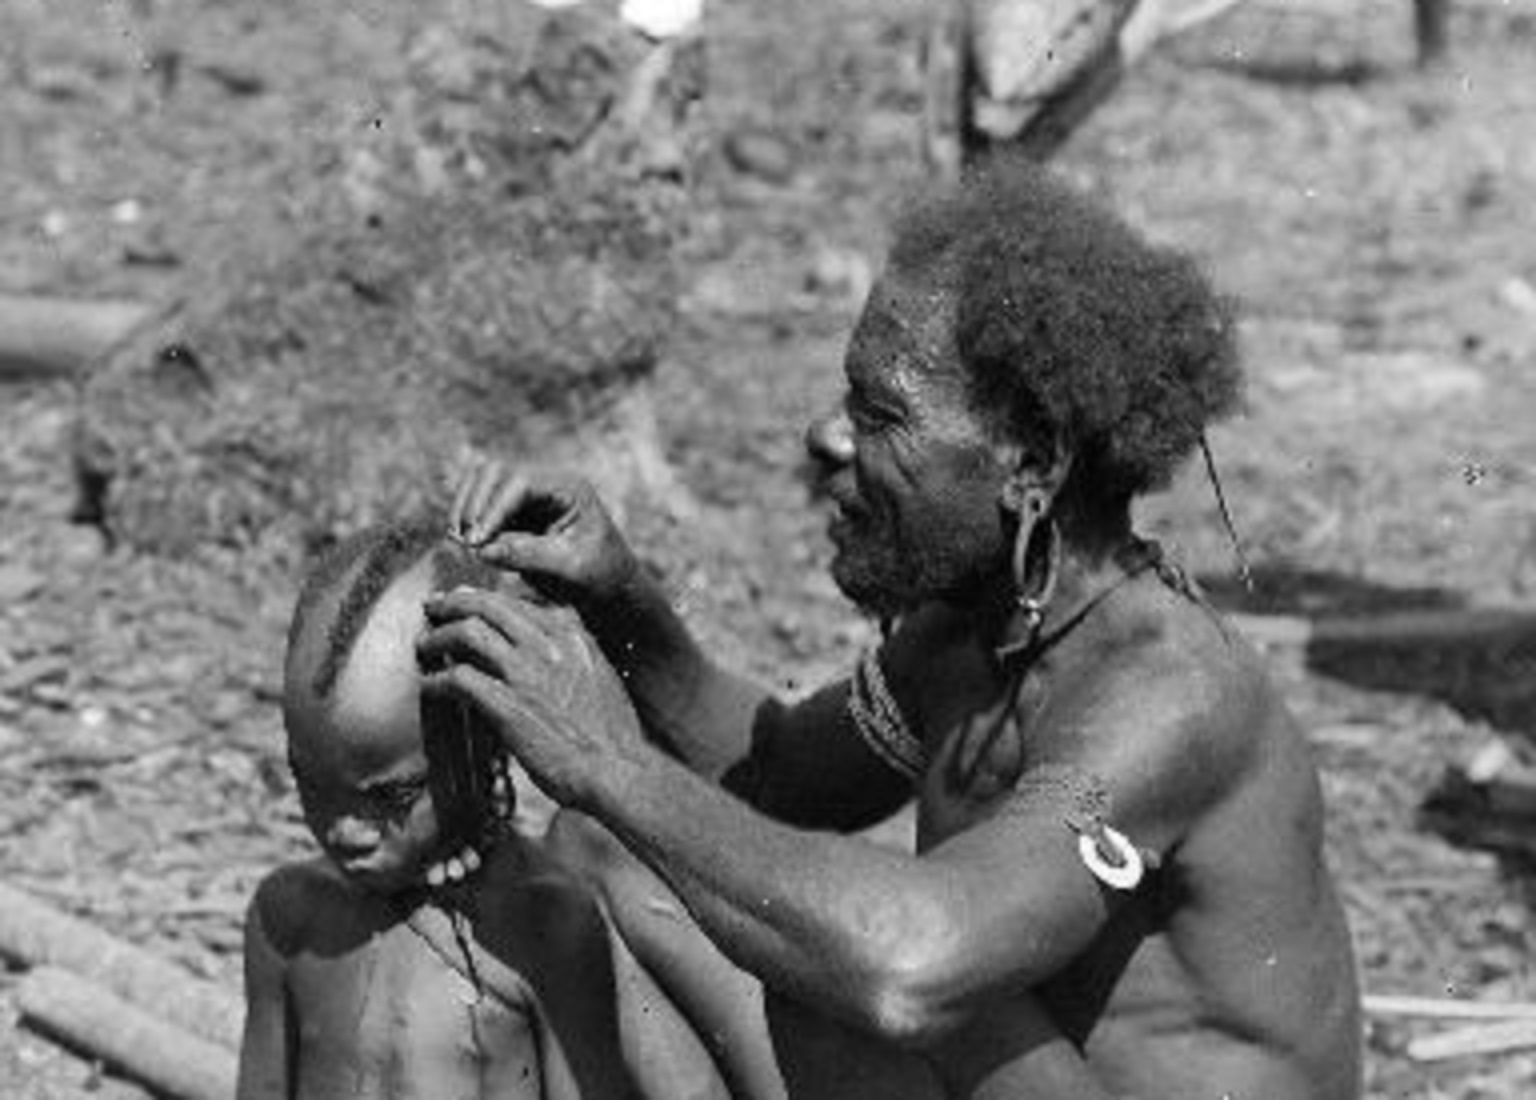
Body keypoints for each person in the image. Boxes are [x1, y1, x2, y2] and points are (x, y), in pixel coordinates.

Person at [418, 163, 1363, 1099]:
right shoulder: (973, 628)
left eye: (879, 413)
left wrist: (612, 762)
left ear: (1030, 464)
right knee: (614, 853)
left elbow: (910, 974)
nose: (826, 437)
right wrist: (619, 598)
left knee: (853, 959)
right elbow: (780, 774)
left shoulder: (1168, 695)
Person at [237, 520, 730, 1100]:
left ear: (488, 737)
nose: (345, 828)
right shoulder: (289, 920)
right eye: (312, 784)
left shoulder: (544, 928)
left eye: (392, 797)